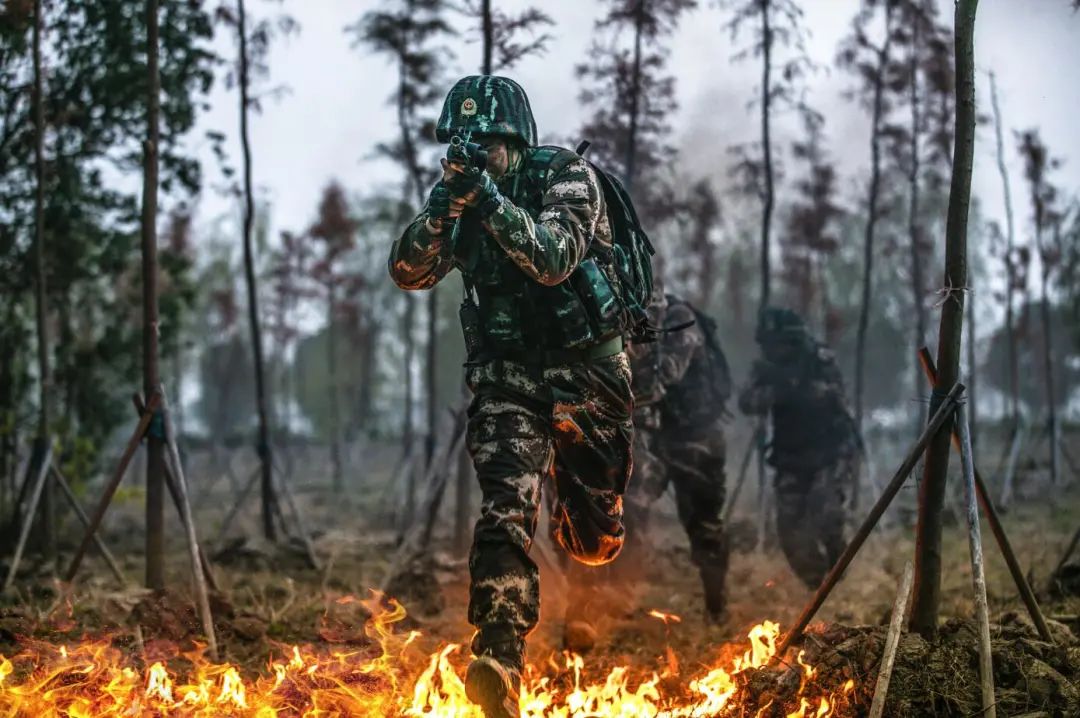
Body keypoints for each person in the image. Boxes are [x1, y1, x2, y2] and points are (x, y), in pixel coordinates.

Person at [388, 75, 635, 718]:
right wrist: (445, 207)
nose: (475, 154)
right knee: (505, 505)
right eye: (461, 144)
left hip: (588, 376)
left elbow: (552, 258)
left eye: (487, 143)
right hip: (509, 378)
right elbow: (406, 272)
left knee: (593, 539)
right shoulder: (462, 197)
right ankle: (499, 655)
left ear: (515, 141)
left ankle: (580, 514)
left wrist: (491, 202)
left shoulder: (568, 177)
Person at [737, 308, 860, 590]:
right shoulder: (766, 369)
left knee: (827, 513)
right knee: (789, 530)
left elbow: (836, 397)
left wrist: (800, 389)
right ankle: (819, 588)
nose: (772, 350)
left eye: (776, 344)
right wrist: (777, 391)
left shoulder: (819, 360)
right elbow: (747, 402)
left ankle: (839, 569)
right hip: (790, 456)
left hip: (829, 451)